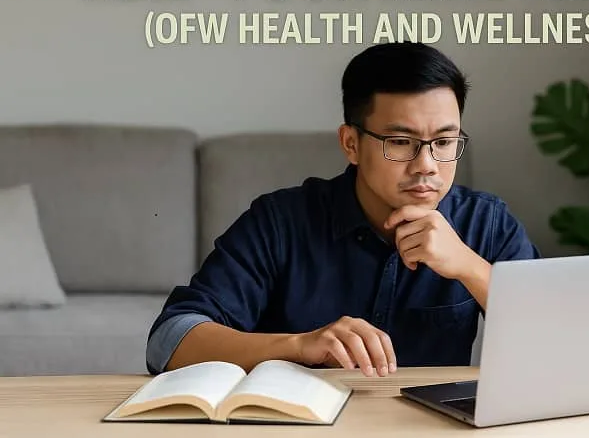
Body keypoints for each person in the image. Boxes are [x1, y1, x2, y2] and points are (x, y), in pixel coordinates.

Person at [145, 41, 540, 378]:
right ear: (351, 143)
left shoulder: (488, 224)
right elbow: (169, 340)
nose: (427, 165)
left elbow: (556, 340)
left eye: (444, 142)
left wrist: (469, 267)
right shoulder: (280, 222)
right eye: (400, 142)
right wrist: (299, 346)